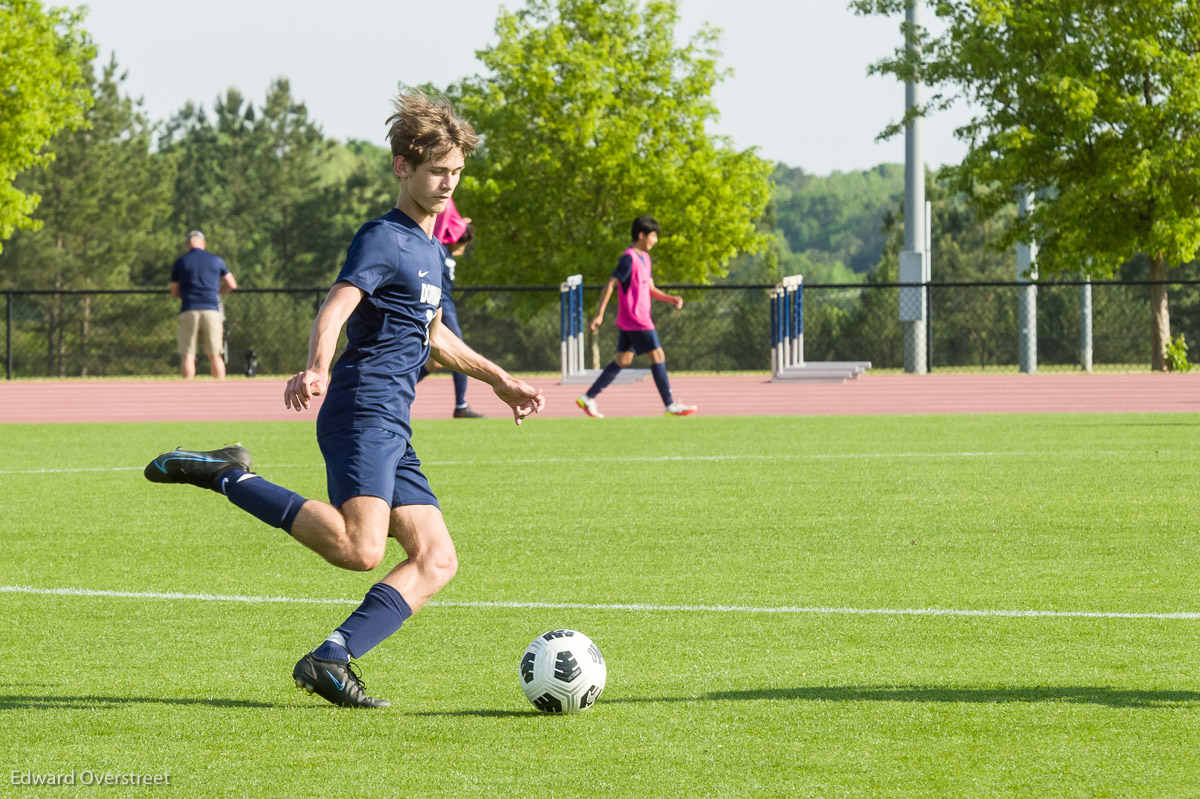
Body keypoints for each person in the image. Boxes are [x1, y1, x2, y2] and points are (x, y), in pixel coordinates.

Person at [143, 92, 545, 708]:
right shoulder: (382, 238)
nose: (447, 183)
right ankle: (228, 476)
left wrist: (499, 379)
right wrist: (315, 367)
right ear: (401, 167)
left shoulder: (432, 250)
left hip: (392, 420)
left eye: (457, 171)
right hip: (362, 407)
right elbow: (336, 306)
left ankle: (331, 657)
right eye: (437, 170)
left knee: (437, 559)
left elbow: (434, 338)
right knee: (360, 548)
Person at [576, 216, 696, 418]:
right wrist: (599, 315)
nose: (655, 241)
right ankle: (670, 404)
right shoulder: (628, 258)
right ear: (641, 235)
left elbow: (649, 288)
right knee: (658, 356)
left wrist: (670, 299)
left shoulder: (645, 259)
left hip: (631, 321)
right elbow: (611, 284)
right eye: (653, 236)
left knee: (623, 359)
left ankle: (588, 397)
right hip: (637, 320)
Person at [415, 197, 484, 418]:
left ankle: (398, 390)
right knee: (458, 350)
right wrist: (458, 225)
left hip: (446, 305)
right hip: (440, 304)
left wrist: (461, 222)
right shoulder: (441, 248)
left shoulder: (449, 253)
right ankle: (461, 405)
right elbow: (444, 225)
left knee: (434, 363)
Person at [170, 230, 236, 379]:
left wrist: (185, 295)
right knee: (215, 355)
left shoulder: (181, 262)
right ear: (203, 243)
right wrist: (217, 292)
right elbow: (232, 284)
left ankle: (186, 393)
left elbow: (174, 290)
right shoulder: (216, 260)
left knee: (188, 355)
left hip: (189, 309)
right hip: (212, 309)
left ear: (188, 244)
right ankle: (220, 393)